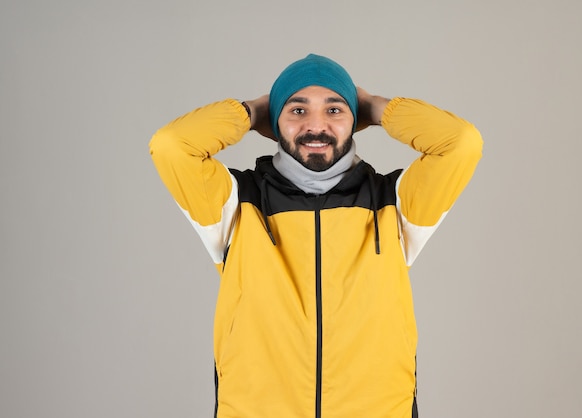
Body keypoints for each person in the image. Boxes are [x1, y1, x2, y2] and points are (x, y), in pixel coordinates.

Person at [149, 53, 482, 418]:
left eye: (335, 110)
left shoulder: (394, 203)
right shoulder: (236, 202)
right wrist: (254, 111)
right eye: (297, 111)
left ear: (355, 121)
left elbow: (461, 143)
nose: (316, 126)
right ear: (276, 122)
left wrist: (374, 106)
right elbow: (171, 145)